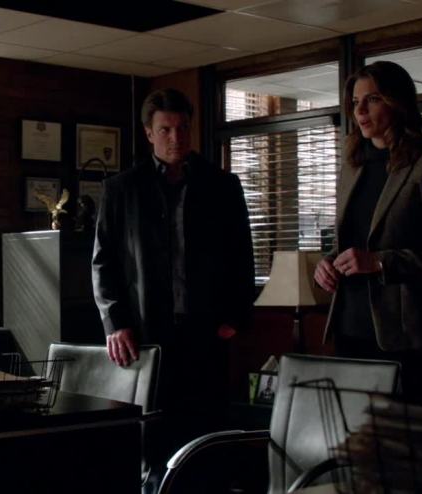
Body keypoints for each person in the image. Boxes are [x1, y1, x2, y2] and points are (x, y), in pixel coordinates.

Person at [92, 88, 255, 481]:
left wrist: (235, 316)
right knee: (154, 443)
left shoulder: (222, 186)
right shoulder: (122, 190)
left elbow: (242, 256)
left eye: (182, 128)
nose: (176, 137)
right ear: (149, 133)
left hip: (206, 334)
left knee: (208, 442)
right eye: (165, 129)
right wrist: (115, 323)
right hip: (148, 336)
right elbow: (103, 263)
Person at [314, 60, 422, 403]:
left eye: (373, 99)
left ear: (397, 103)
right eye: (355, 102)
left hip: (409, 337)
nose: (360, 111)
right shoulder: (352, 167)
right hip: (350, 328)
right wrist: (328, 262)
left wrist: (381, 263)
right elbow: (350, 243)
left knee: (398, 437)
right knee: (353, 436)